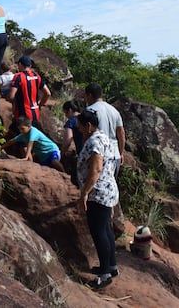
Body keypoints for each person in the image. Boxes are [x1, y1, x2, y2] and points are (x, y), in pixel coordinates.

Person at [77, 108, 119, 290]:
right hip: (108, 189)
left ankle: (105, 274)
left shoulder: (94, 141)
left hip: (98, 192)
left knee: (99, 232)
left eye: (80, 127)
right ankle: (111, 265)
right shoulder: (104, 137)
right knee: (106, 229)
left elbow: (95, 170)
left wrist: (84, 193)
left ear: (88, 126)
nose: (79, 131)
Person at [84, 83, 126, 173]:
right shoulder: (114, 111)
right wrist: (121, 152)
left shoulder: (90, 110)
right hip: (115, 155)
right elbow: (121, 134)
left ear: (89, 95)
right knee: (111, 185)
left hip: (99, 155)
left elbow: (87, 133)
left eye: (85, 96)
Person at [0, 116, 65, 172]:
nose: (21, 131)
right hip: (44, 157)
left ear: (29, 126)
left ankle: (64, 173)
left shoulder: (33, 132)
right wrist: (1, 147)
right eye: (19, 129)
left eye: (22, 129)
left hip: (52, 150)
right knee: (47, 169)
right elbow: (12, 141)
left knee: (54, 162)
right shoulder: (23, 135)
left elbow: (30, 144)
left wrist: (26, 156)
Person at [8, 55, 50, 131]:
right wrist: (39, 105)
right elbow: (47, 93)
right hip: (35, 114)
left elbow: (11, 96)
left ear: (20, 64)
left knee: (19, 138)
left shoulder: (18, 76)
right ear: (30, 65)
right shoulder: (36, 76)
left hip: (22, 115)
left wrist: (13, 107)